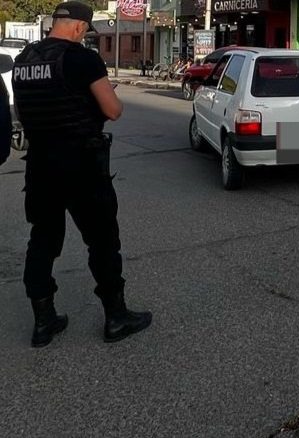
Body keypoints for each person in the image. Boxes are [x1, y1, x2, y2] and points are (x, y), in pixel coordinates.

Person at [12, 1, 151, 348]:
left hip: (41, 165)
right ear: (78, 27)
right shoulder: (83, 58)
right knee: (102, 241)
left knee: (42, 241)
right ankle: (116, 318)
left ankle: (44, 322)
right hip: (81, 166)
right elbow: (113, 110)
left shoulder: (25, 60)